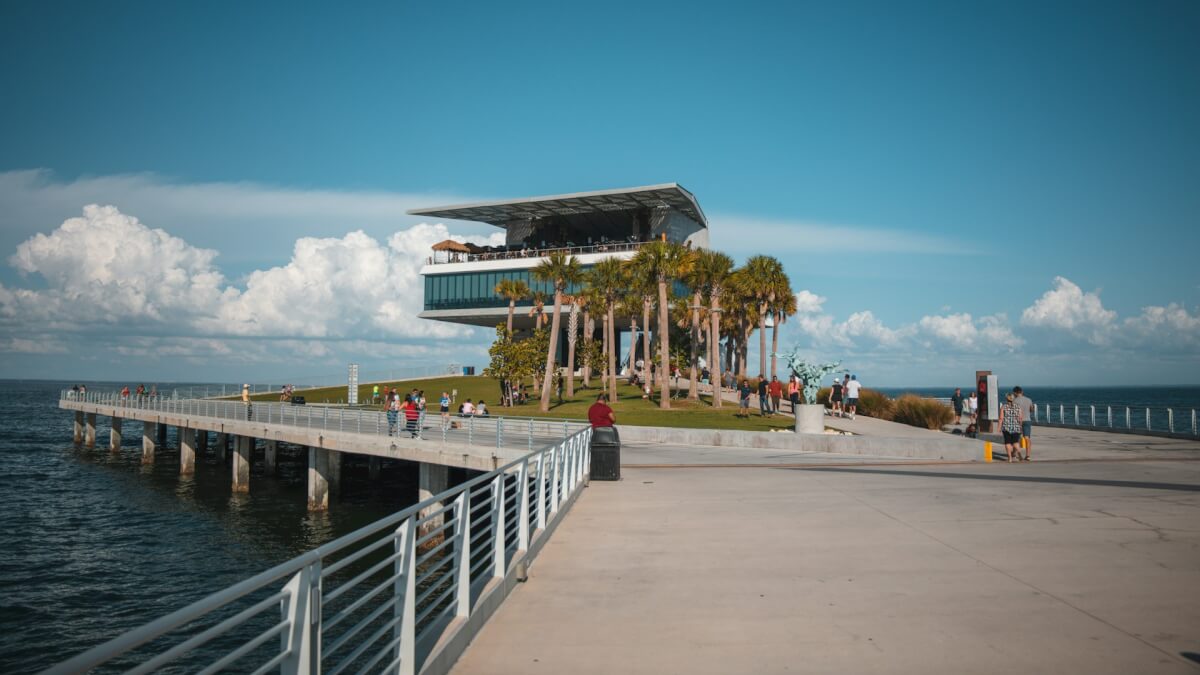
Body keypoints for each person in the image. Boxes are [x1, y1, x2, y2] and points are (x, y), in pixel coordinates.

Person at [999, 392, 1024, 462]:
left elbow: (1001, 418)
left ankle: (1010, 458)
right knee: (1015, 442)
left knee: (1007, 443)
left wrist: (998, 428)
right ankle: (1019, 452)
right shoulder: (1018, 407)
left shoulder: (1004, 407)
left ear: (1006, 399)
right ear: (1013, 399)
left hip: (1006, 427)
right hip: (1016, 427)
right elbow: (1020, 418)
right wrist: (1021, 426)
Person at [1013, 386, 1034, 461]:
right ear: (1021, 392)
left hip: (1018, 421)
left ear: (1015, 393)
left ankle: (1014, 454)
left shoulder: (1014, 401)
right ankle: (1028, 455)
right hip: (1027, 420)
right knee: (1027, 438)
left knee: (1016, 438)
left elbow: (1013, 412)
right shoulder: (1029, 399)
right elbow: (1031, 409)